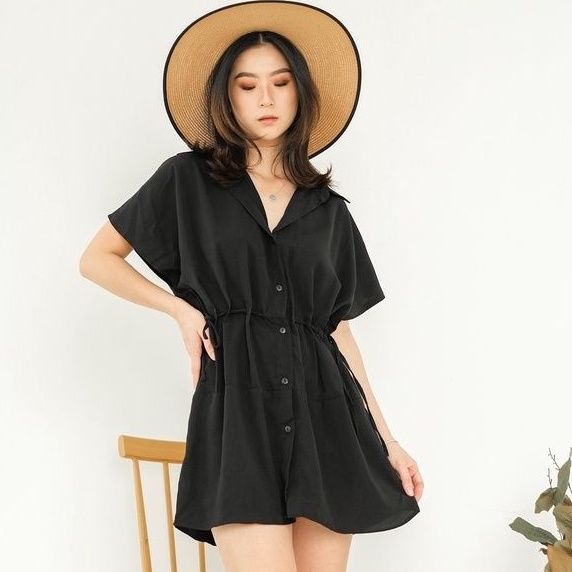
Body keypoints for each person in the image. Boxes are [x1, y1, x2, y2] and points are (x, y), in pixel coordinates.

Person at [79, 2, 423, 571]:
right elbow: (97, 259)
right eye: (247, 85)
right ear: (228, 97)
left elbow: (336, 330)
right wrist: (179, 310)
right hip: (236, 421)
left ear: (299, 93)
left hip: (327, 424)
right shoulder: (186, 180)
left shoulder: (328, 210)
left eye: (280, 83)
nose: (266, 99)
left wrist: (387, 439)